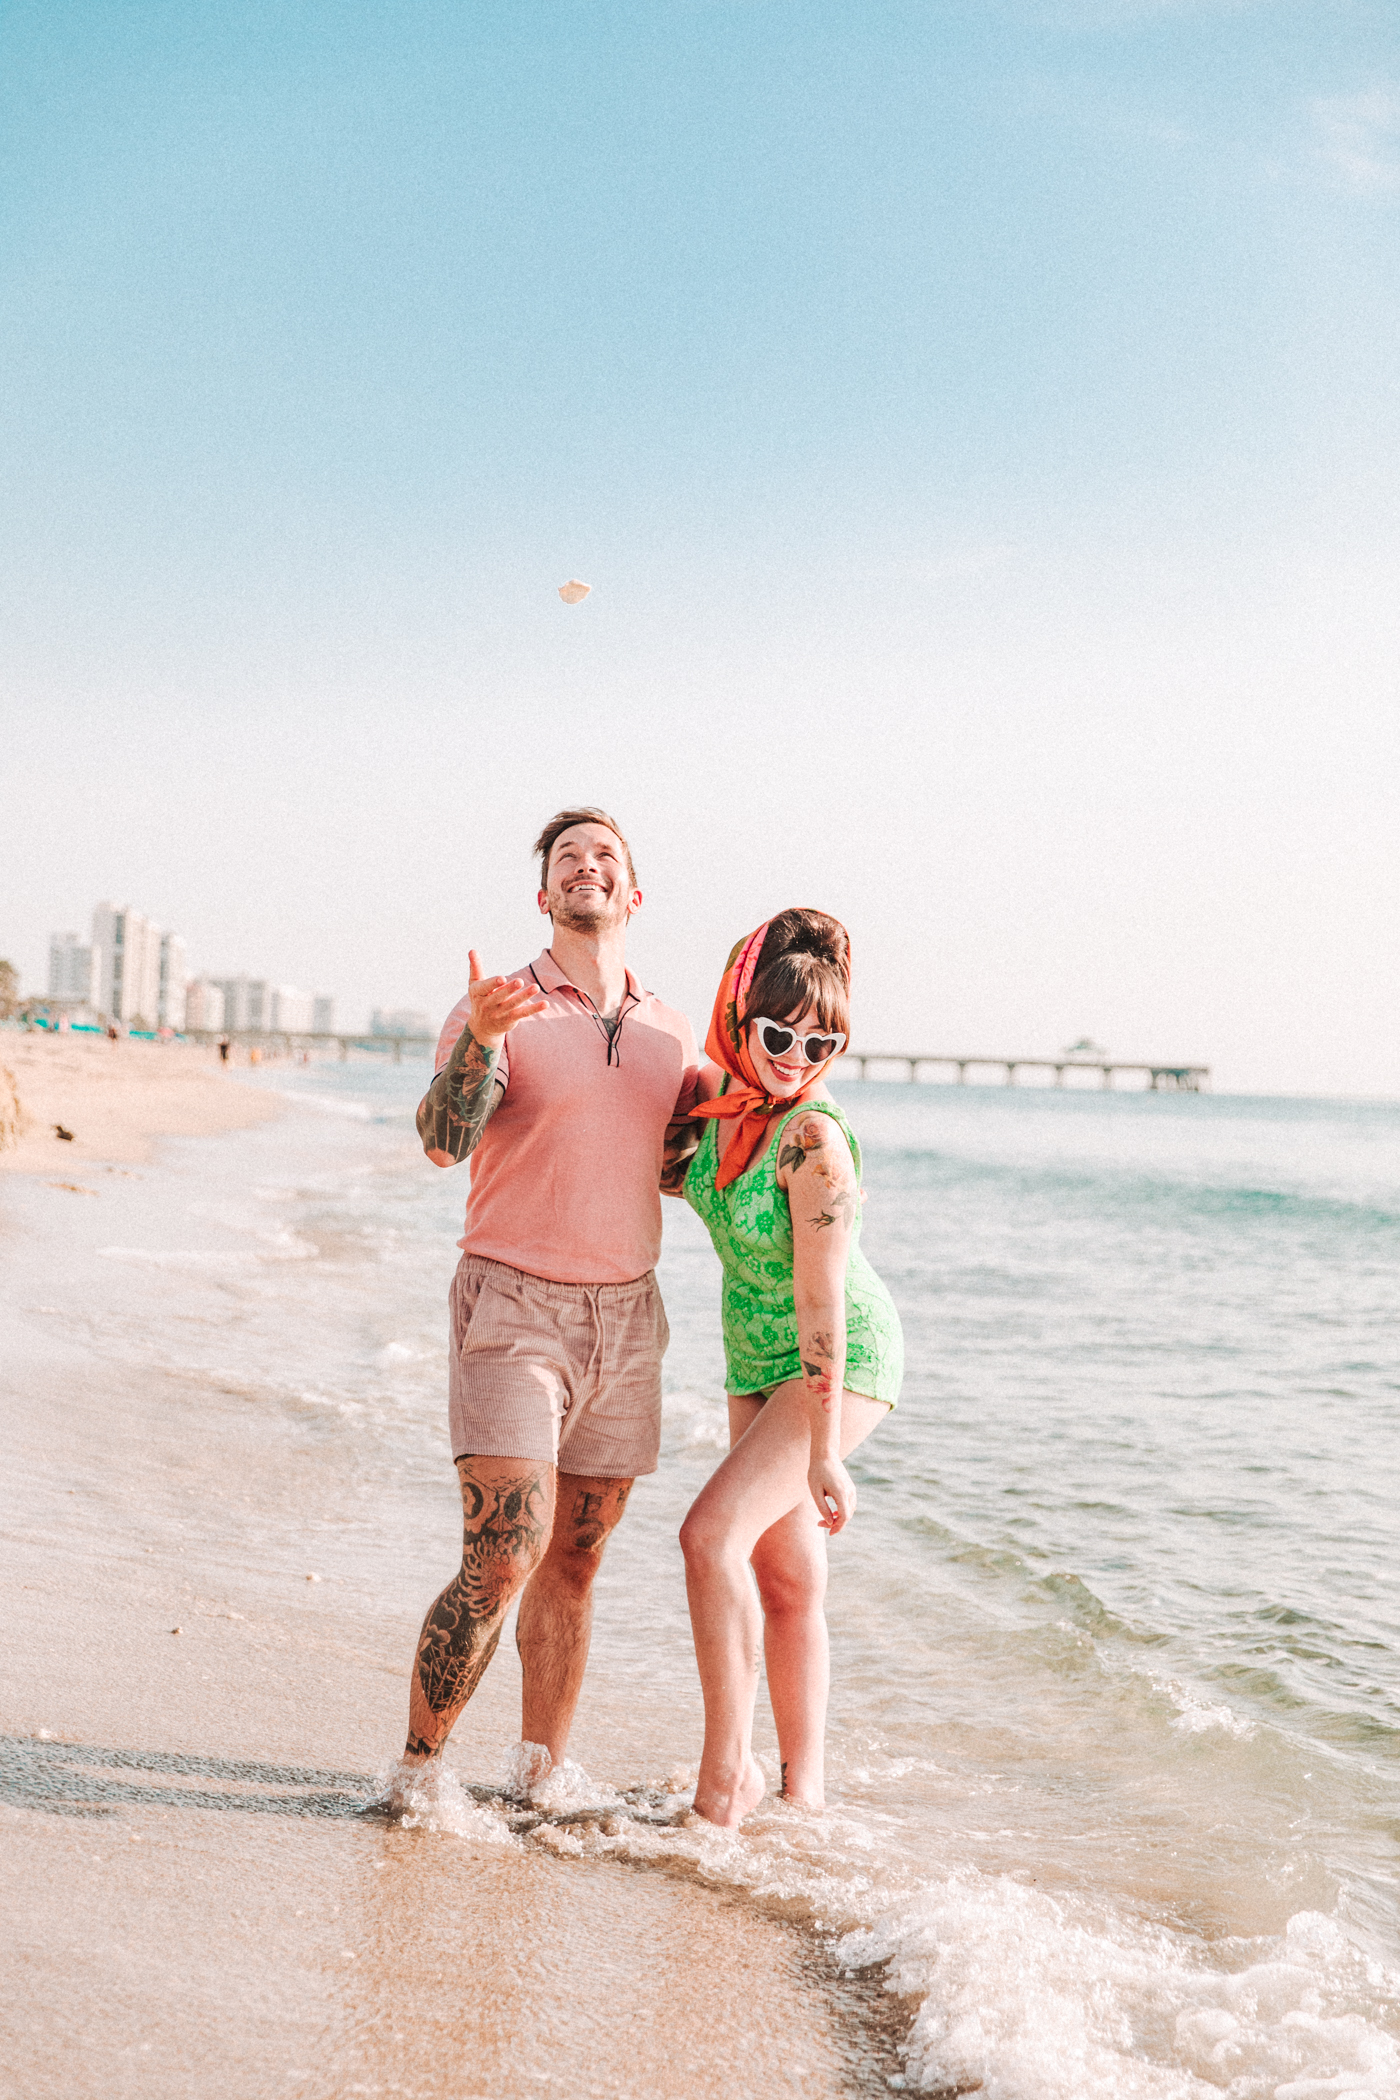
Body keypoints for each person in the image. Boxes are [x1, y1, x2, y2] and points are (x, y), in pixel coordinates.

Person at [391, 808, 701, 1799]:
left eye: (603, 855)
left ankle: (538, 1776)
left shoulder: (665, 1028)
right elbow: (443, 1142)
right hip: (512, 1309)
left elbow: (669, 1172)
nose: (585, 866)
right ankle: (417, 1772)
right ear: (544, 897)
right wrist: (479, 1041)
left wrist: (735, 1127)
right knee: (503, 1555)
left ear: (633, 893)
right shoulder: (497, 1004)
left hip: (627, 1321)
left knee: (574, 1561)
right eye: (566, 857)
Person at [678, 911, 903, 1826]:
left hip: (835, 1359)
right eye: (777, 1033)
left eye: (823, 1041)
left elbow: (824, 1301)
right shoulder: (726, 1109)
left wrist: (822, 1449)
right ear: (741, 1016)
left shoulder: (814, 1142)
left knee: (707, 1539)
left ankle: (727, 1777)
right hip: (753, 1354)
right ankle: (806, 1799)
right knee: (785, 1579)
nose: (797, 1054)